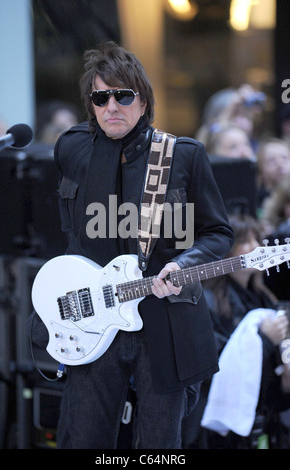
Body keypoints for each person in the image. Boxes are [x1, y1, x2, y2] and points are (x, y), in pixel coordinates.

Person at [33, 41, 234, 449]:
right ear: (91, 104)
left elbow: (219, 233)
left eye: (122, 95)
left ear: (143, 101)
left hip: (163, 318)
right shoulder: (72, 149)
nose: (111, 106)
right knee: (83, 439)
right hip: (92, 318)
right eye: (100, 97)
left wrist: (185, 263)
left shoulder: (182, 156)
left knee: (158, 446)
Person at [185, 214, 290, 449]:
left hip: (262, 422)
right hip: (216, 430)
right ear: (226, 251)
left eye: (258, 239)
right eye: (244, 240)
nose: (255, 247)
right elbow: (214, 366)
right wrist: (264, 340)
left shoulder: (266, 300)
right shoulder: (206, 301)